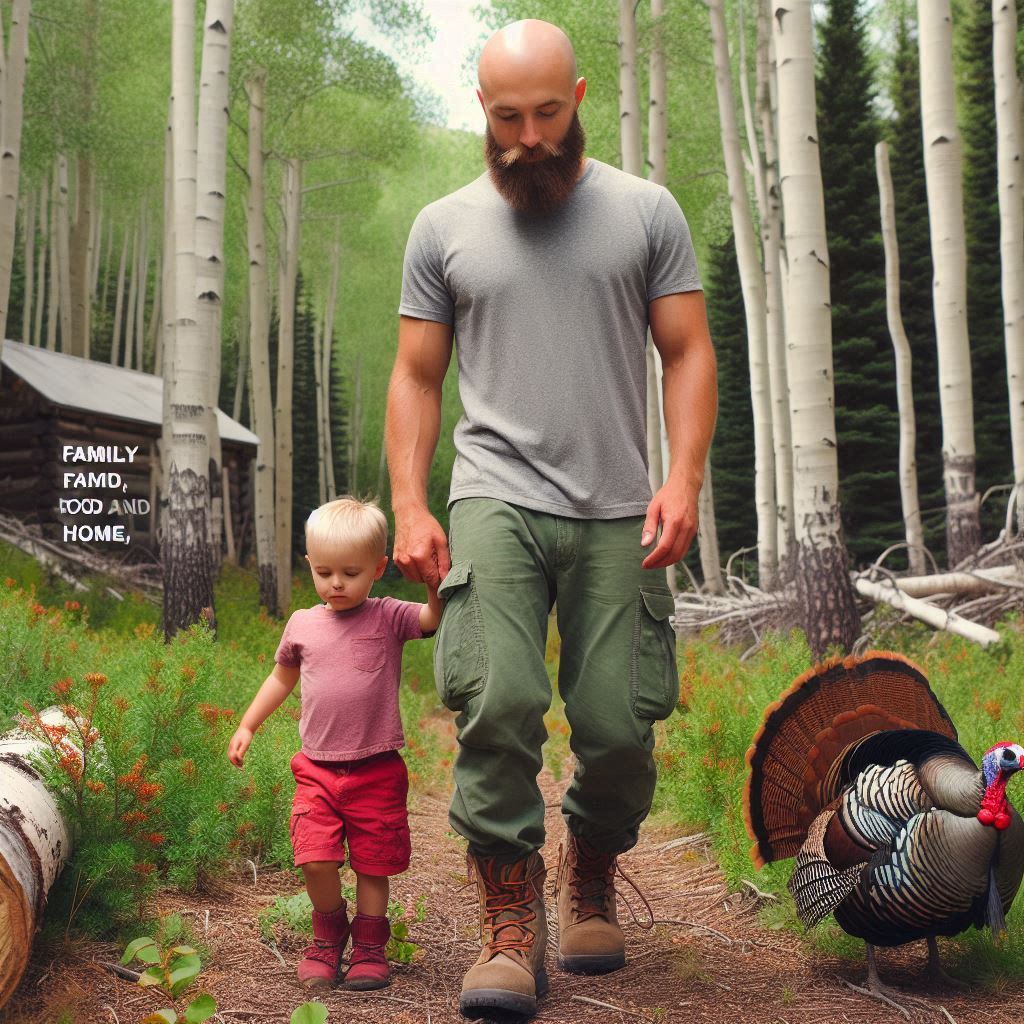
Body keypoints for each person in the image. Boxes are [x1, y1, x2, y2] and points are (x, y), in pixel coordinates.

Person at [385, 16, 718, 1019]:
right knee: (497, 703)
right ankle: (505, 920)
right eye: (504, 118)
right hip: (493, 497)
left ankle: (591, 870)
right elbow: (413, 373)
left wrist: (685, 477)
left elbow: (688, 351)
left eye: (542, 113)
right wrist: (407, 497)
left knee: (617, 722)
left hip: (622, 505)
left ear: (577, 98)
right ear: (480, 114)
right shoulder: (442, 226)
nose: (526, 136)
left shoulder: (646, 212)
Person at [227, 497, 442, 991]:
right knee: (315, 857)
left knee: (373, 863)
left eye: (350, 571)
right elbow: (281, 679)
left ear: (378, 569)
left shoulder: (388, 617)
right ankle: (328, 937)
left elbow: (430, 621)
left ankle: (369, 948)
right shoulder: (302, 624)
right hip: (316, 770)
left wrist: (433, 588)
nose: (336, 583)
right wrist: (248, 724)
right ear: (310, 566)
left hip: (376, 769)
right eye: (324, 572)